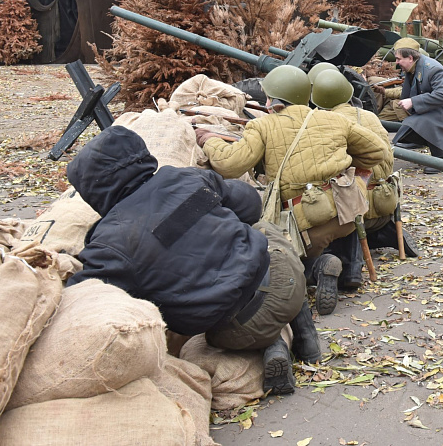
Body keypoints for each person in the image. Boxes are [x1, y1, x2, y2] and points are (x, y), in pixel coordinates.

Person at [66, 126, 321, 396]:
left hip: (234, 332)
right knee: (265, 230)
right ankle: (303, 334)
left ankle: (272, 344)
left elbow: (83, 299)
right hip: (286, 285)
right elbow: (250, 206)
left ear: (91, 190)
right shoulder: (186, 178)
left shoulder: (108, 243)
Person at [197, 64, 390, 316]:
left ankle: (319, 268)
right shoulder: (334, 118)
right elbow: (377, 151)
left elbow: (230, 165)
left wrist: (208, 139)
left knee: (279, 261)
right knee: (320, 239)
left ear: (272, 99)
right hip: (349, 212)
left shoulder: (263, 126)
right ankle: (339, 267)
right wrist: (347, 174)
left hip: (307, 219)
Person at [311, 68, 419, 283]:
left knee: (328, 194)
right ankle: (384, 235)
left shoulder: (325, 122)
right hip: (386, 200)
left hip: (356, 211)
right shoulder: (369, 115)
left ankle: (350, 268)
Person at [389, 37, 443, 175]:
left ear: (409, 58)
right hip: (440, 108)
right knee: (410, 127)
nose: (396, 63)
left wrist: (413, 101)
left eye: (398, 59)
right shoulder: (412, 69)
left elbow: (442, 95)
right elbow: (407, 95)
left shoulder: (432, 69)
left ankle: (439, 160)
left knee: (421, 122)